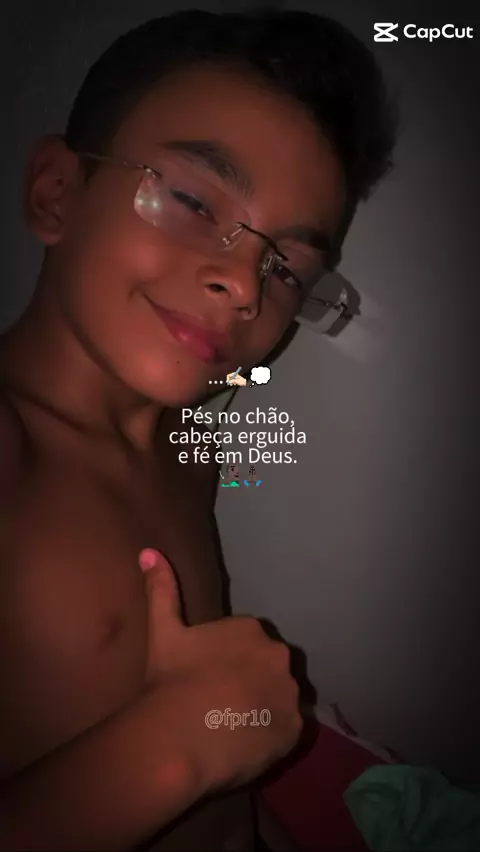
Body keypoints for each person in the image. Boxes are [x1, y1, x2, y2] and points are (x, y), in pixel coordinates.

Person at [0, 8, 397, 851]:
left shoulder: (191, 454)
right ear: (57, 193)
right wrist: (174, 747)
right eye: (190, 199)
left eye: (287, 267)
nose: (245, 285)